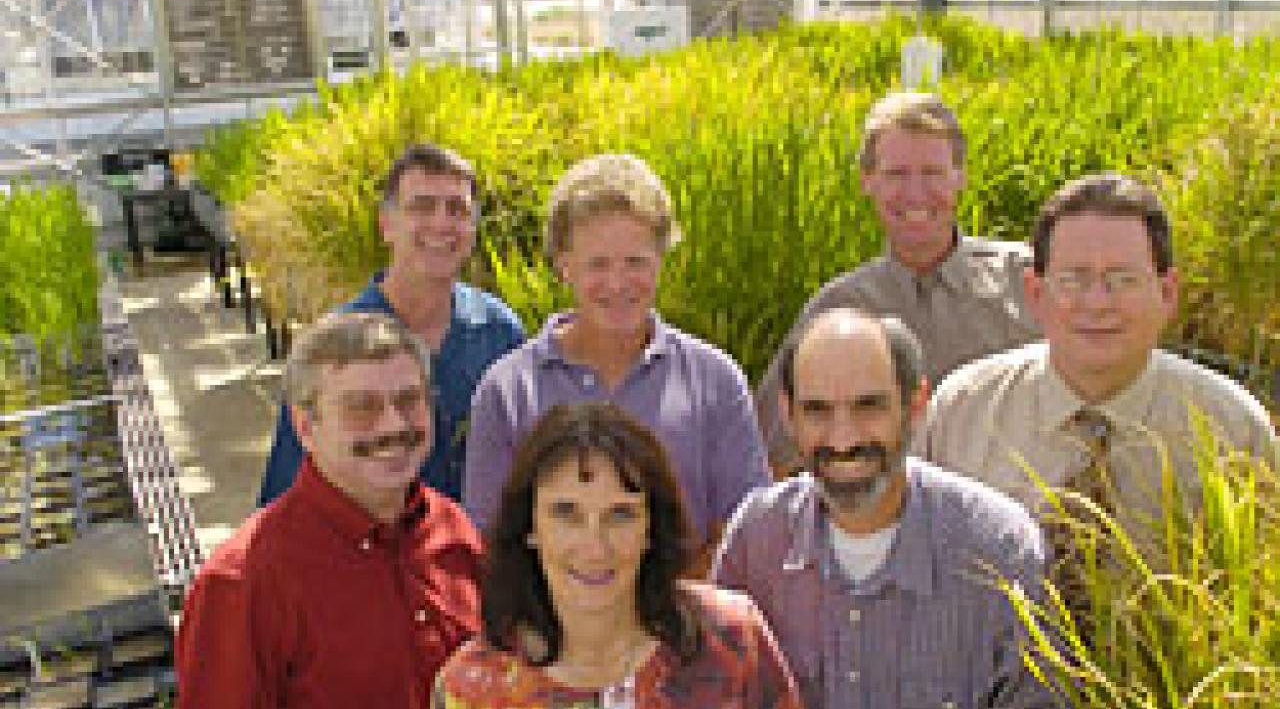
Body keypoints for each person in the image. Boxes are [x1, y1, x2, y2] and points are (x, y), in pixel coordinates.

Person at [714, 308, 1052, 709]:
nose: (843, 438)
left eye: (867, 406)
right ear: (788, 416)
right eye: (817, 410)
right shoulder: (755, 542)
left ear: (915, 406)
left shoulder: (998, 550)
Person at [463, 154, 770, 565]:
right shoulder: (507, 390)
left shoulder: (715, 380)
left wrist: (664, 616)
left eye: (635, 263)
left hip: (685, 618)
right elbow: (493, 545)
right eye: (598, 265)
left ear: (661, 258)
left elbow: (744, 532)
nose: (618, 283)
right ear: (564, 266)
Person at [918, 173, 1278, 515]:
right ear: (1036, 293)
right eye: (1073, 280)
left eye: (1123, 280)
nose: (1097, 303)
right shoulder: (960, 413)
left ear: (1167, 294)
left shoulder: (1234, 430)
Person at [177, 313, 483, 709]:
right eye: (362, 407)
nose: (392, 423)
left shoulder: (454, 530)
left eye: (409, 400)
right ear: (305, 428)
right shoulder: (244, 583)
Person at [436, 402, 802, 709]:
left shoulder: (732, 642)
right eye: (567, 514)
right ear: (529, 527)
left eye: (620, 514)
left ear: (651, 528)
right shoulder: (471, 688)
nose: (595, 546)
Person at [755, 92, 1041, 471]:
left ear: (961, 176)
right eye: (896, 174)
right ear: (867, 181)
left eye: (932, 173)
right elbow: (774, 453)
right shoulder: (837, 309)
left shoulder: (1028, 283)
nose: (915, 193)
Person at [257, 143, 524, 505]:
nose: (442, 223)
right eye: (422, 206)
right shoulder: (332, 347)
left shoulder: (499, 331)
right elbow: (285, 497)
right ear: (387, 226)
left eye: (457, 209)